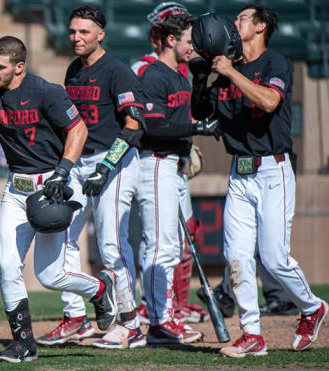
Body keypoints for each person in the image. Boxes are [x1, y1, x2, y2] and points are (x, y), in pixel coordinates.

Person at [0, 18, 119, 363]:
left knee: (50, 275)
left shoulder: (46, 92)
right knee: (6, 262)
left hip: (53, 183)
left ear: (19, 67)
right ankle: (23, 342)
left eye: (0, 66)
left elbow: (79, 131)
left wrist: (63, 172)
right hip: (16, 186)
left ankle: (100, 289)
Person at [191, 5, 328, 357]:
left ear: (261, 26)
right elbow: (202, 116)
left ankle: (312, 308)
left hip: (273, 170)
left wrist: (231, 73)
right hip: (240, 172)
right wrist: (200, 78)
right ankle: (251, 333)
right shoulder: (224, 69)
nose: (236, 23)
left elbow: (268, 101)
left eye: (242, 18)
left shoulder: (275, 63)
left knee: (273, 257)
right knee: (235, 257)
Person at [36, 5, 145, 350]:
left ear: (101, 34)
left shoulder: (118, 71)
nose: (76, 37)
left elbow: (134, 127)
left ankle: (131, 324)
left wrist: (105, 167)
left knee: (112, 246)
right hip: (80, 163)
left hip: (116, 162)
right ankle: (76, 318)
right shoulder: (73, 70)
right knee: (62, 236)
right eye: (72, 31)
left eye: (84, 31)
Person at [137, 12, 221, 344]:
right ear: (171, 40)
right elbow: (153, 126)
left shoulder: (180, 73)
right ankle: (159, 319)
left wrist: (200, 85)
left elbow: (191, 112)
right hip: (155, 162)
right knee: (161, 246)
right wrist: (196, 129)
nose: (193, 46)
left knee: (169, 245)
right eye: (188, 40)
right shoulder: (154, 75)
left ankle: (164, 316)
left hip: (172, 164)